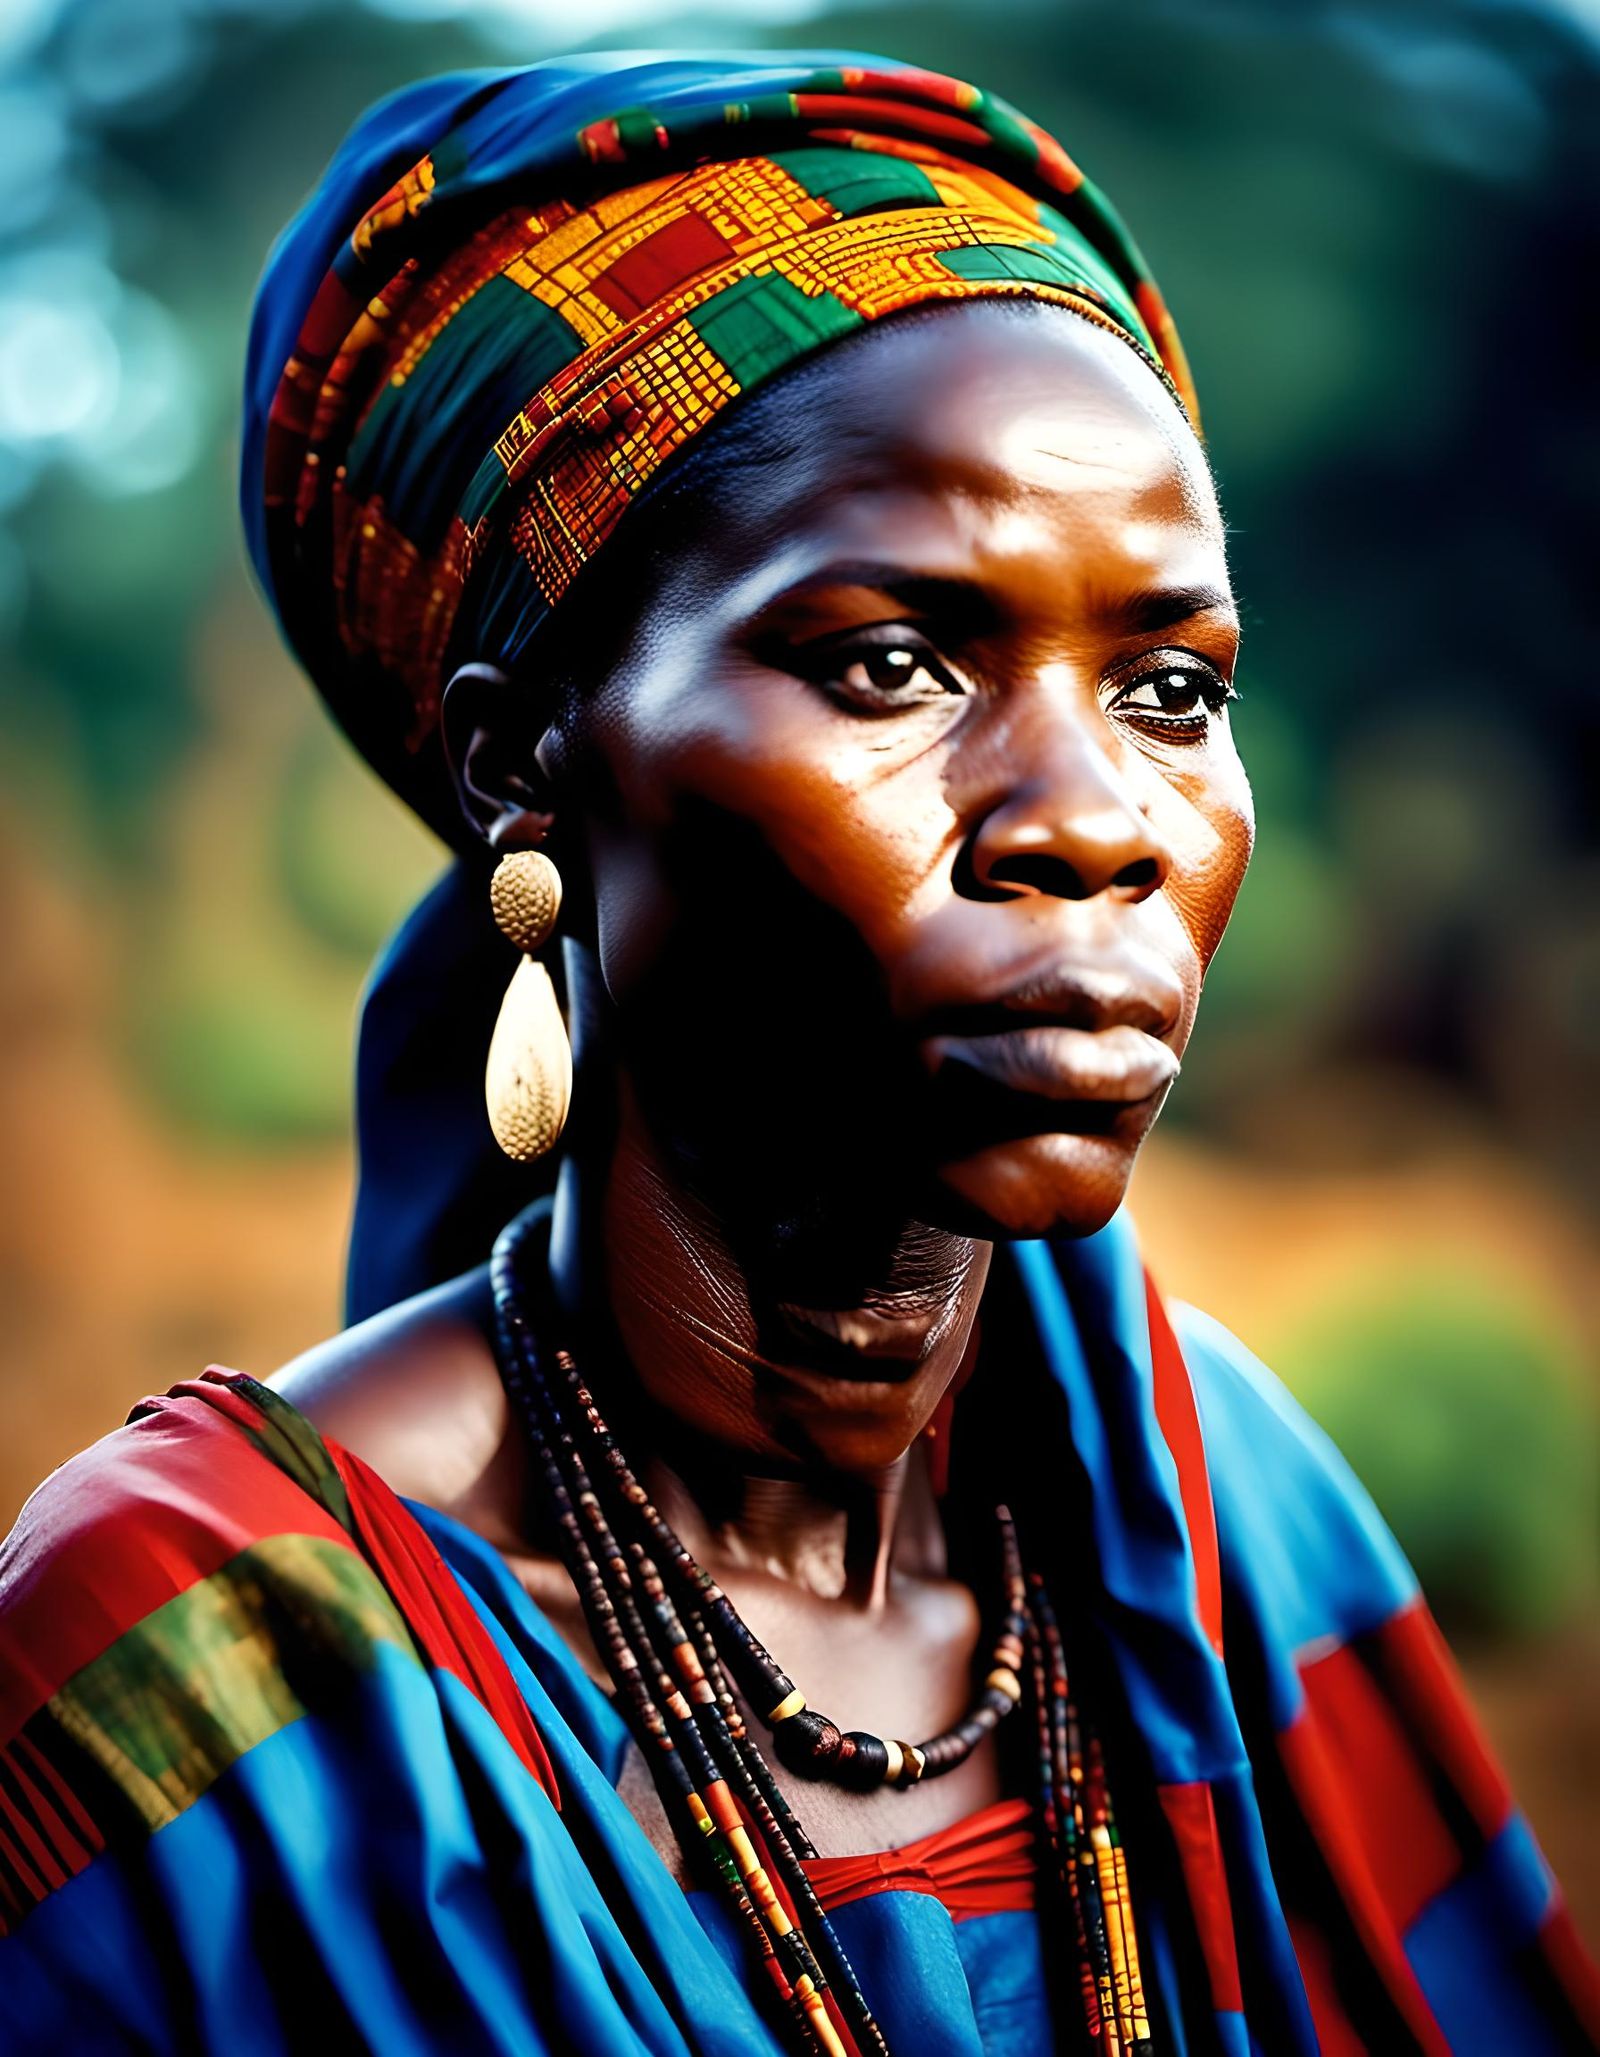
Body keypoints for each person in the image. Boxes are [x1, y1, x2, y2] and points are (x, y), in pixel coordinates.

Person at [0, 50, 1594, 2057]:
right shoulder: (194, 1691)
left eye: (1172, 687)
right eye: (891, 664)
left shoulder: (1218, 1520)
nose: (1090, 818)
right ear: (524, 773)